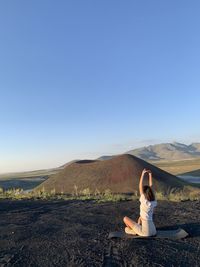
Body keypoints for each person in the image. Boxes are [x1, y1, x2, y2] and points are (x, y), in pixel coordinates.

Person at [123, 169, 157, 236]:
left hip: (146, 233)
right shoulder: (153, 201)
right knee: (140, 218)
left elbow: (140, 186)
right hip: (154, 231)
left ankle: (133, 231)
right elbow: (151, 187)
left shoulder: (144, 200)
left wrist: (143, 174)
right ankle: (137, 229)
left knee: (125, 221)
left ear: (144, 194)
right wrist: (150, 174)